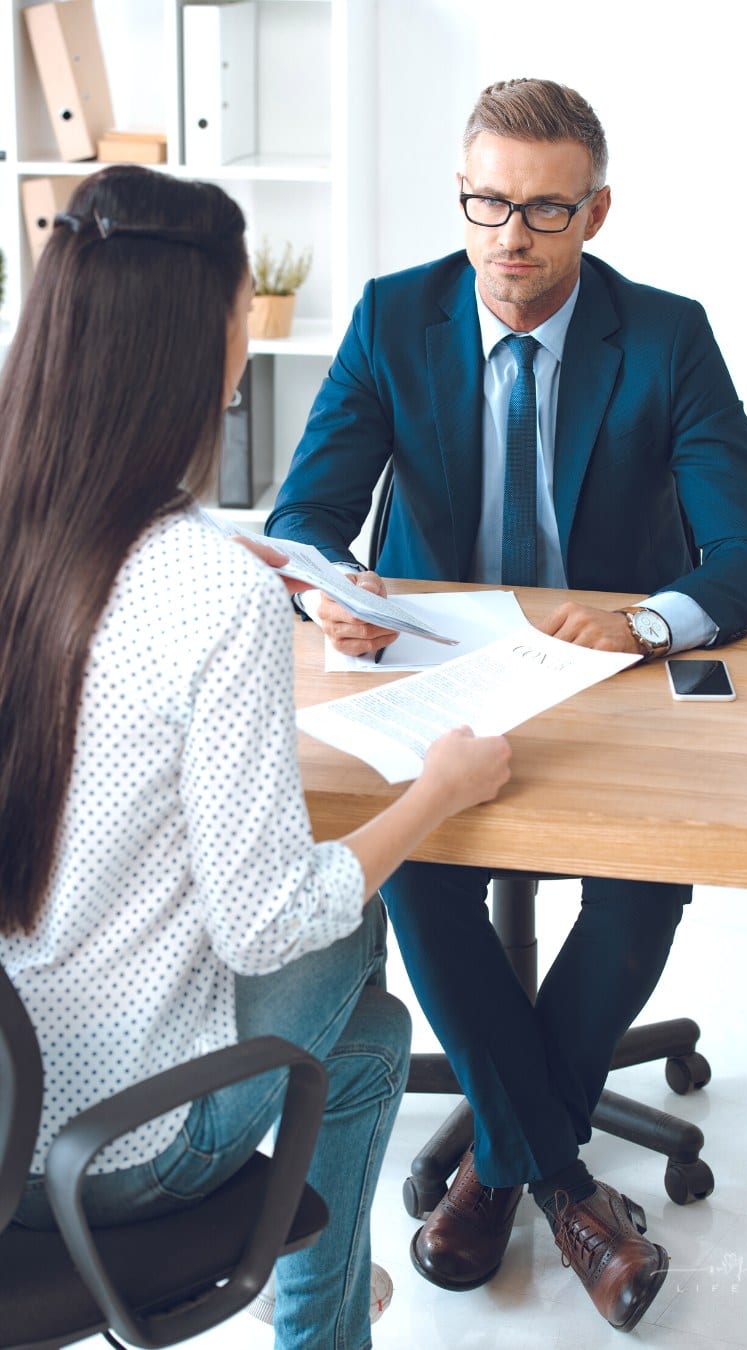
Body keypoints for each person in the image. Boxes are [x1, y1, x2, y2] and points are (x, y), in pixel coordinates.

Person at [266, 78, 747, 1332]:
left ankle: (502, 1167)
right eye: (486, 201)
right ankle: (560, 1178)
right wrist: (328, 593)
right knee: (421, 868)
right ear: (463, 196)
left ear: (595, 211)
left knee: (641, 879)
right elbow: (302, 516)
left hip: (609, 688)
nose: (509, 235)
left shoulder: (665, 337)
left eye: (544, 209)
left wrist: (648, 619)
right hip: (446, 679)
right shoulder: (397, 318)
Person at [0, 164, 511, 1350]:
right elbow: (270, 924)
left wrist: (233, 556)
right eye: (243, 311)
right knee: (356, 925)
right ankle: (318, 1328)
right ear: (199, 347)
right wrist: (438, 791)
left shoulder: (36, 534)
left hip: (4, 1119)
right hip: (112, 1159)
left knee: (374, 1040)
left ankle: (325, 1323)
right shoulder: (205, 597)